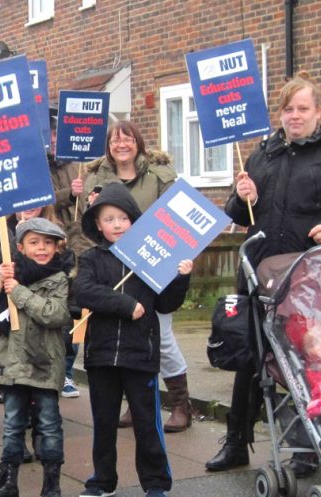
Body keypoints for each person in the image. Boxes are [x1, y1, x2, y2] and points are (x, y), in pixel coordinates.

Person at [205, 71, 321, 476]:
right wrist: (240, 197)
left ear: (317, 112)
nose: (294, 116)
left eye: (302, 108)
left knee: (305, 361)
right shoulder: (262, 154)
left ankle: (307, 447)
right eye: (288, 109)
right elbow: (235, 211)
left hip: (309, 278)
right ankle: (236, 441)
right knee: (251, 358)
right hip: (259, 272)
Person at [73, 182, 193, 497]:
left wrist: (181, 277)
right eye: (109, 219)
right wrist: (126, 306)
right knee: (103, 422)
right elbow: (83, 291)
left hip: (141, 354)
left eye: (123, 218)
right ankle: (102, 481)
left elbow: (167, 303)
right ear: (98, 224)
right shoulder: (91, 259)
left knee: (147, 424)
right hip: (101, 357)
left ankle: (155, 483)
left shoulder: (149, 257)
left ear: (134, 221)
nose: (117, 225)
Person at [83, 120, 193, 432]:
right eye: (115, 140)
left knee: (162, 337)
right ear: (108, 146)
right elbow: (87, 224)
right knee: (127, 337)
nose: (122, 145)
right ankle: (136, 402)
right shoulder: (96, 177)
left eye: (128, 139)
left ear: (138, 143)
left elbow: (177, 215)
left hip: (153, 264)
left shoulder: (159, 176)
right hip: (113, 269)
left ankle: (180, 403)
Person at [0, 217, 73, 497]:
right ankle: (8, 480)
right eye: (34, 243)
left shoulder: (60, 279)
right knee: (12, 424)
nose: (41, 248)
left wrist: (18, 292)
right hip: (12, 364)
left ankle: (52, 483)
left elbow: (55, 314)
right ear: (20, 247)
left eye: (48, 243)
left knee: (48, 423)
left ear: (57, 248)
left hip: (45, 364)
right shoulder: (8, 277)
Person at [47, 111, 93, 398]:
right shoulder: (39, 166)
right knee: (56, 312)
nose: (54, 141)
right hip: (55, 247)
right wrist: (69, 193)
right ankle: (53, 370)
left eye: (56, 136)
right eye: (49, 136)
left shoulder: (81, 164)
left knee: (77, 315)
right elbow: (43, 199)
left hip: (82, 246)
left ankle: (66, 371)